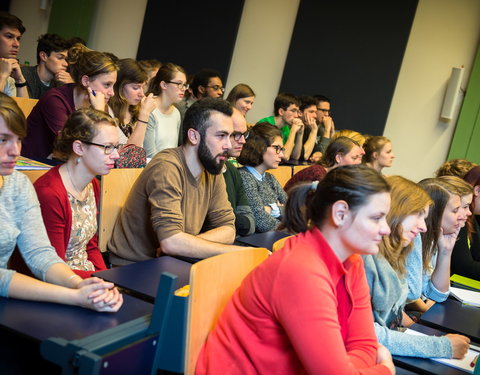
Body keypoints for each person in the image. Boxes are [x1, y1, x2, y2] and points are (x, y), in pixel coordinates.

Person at [197, 165, 395, 374]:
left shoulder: (352, 260)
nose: (386, 229)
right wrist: (385, 370)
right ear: (340, 214)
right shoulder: (302, 271)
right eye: (376, 218)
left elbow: (364, 344)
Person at [0, 92, 122, 311]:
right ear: (79, 148)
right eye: (3, 140)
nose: (15, 151)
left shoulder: (17, 184)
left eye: (18, 140)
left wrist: (89, 283)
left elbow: (40, 254)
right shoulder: (49, 191)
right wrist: (75, 294)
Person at [108, 98, 250, 265]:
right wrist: (241, 251)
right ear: (193, 136)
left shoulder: (212, 167)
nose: (228, 144)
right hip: (132, 267)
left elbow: (228, 229)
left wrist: (184, 244)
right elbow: (170, 243)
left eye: (230, 136)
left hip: (173, 261)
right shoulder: (167, 167)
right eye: (221, 136)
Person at [363, 175, 470, 358]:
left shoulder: (394, 252)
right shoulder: (366, 259)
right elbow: (370, 333)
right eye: (418, 216)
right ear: (396, 213)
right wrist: (440, 346)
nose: (423, 227)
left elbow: (395, 312)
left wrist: (419, 331)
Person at [34, 108, 121, 278]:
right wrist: (100, 282)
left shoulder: (93, 184)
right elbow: (54, 268)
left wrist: (107, 279)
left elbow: (90, 246)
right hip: (62, 284)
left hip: (86, 278)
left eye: (116, 147)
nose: (116, 155)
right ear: (79, 148)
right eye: (108, 147)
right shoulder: (50, 193)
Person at [22, 44, 118, 160]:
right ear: (86, 81)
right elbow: (72, 148)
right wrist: (99, 113)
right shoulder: (55, 100)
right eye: (107, 85)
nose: (112, 93)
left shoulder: (98, 104)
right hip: (32, 165)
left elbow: (107, 146)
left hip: (64, 165)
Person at [405, 177, 469, 313]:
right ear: (434, 213)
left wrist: (446, 252)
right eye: (455, 210)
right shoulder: (412, 239)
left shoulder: (434, 240)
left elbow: (438, 295)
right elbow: (412, 295)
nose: (462, 216)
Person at [237, 123, 287, 232]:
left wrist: (272, 209)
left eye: (282, 149)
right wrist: (281, 210)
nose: (282, 155)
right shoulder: (244, 177)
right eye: (276, 148)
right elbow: (261, 221)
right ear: (259, 147)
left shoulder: (270, 178)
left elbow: (294, 211)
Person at [108, 58, 156, 167]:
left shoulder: (135, 112)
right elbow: (128, 158)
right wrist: (144, 116)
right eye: (136, 88)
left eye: (143, 88)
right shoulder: (106, 111)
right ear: (119, 87)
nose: (142, 94)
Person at [284, 136, 363, 192]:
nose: (359, 162)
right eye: (354, 158)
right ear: (338, 158)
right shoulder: (316, 174)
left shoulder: (336, 176)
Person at [223, 107, 255, 236]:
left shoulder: (231, 170)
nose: (243, 141)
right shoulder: (202, 172)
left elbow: (251, 224)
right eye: (236, 134)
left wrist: (227, 220)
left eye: (244, 134)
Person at [144, 62, 186, 158]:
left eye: (184, 85)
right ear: (164, 85)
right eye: (179, 84)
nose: (183, 89)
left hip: (168, 167)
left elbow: (174, 149)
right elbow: (149, 154)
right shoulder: (150, 108)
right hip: (152, 167)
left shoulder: (176, 113)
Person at [21, 33, 73, 99]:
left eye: (66, 59)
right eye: (60, 58)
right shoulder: (24, 75)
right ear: (43, 56)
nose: (66, 64)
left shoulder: (61, 83)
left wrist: (71, 87)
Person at [450, 166, 480, 279]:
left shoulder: (473, 217)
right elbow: (463, 266)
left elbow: (477, 255)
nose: (467, 213)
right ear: (477, 190)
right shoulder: (460, 219)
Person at [257, 93, 304, 160]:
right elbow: (285, 156)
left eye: (297, 111)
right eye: (293, 111)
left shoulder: (286, 128)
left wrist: (300, 134)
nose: (296, 115)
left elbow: (295, 157)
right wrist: (293, 131)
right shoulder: (265, 124)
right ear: (281, 111)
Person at [0, 12, 28, 97]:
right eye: (9, 36)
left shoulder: (10, 75)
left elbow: (24, 110)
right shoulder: (5, 74)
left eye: (18, 38)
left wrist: (20, 80)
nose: (17, 44)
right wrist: (3, 76)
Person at [308, 94, 335, 162]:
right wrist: (327, 130)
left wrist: (332, 131)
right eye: (323, 110)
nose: (327, 114)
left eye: (328, 111)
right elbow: (320, 153)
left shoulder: (320, 129)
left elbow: (329, 154)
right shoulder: (306, 128)